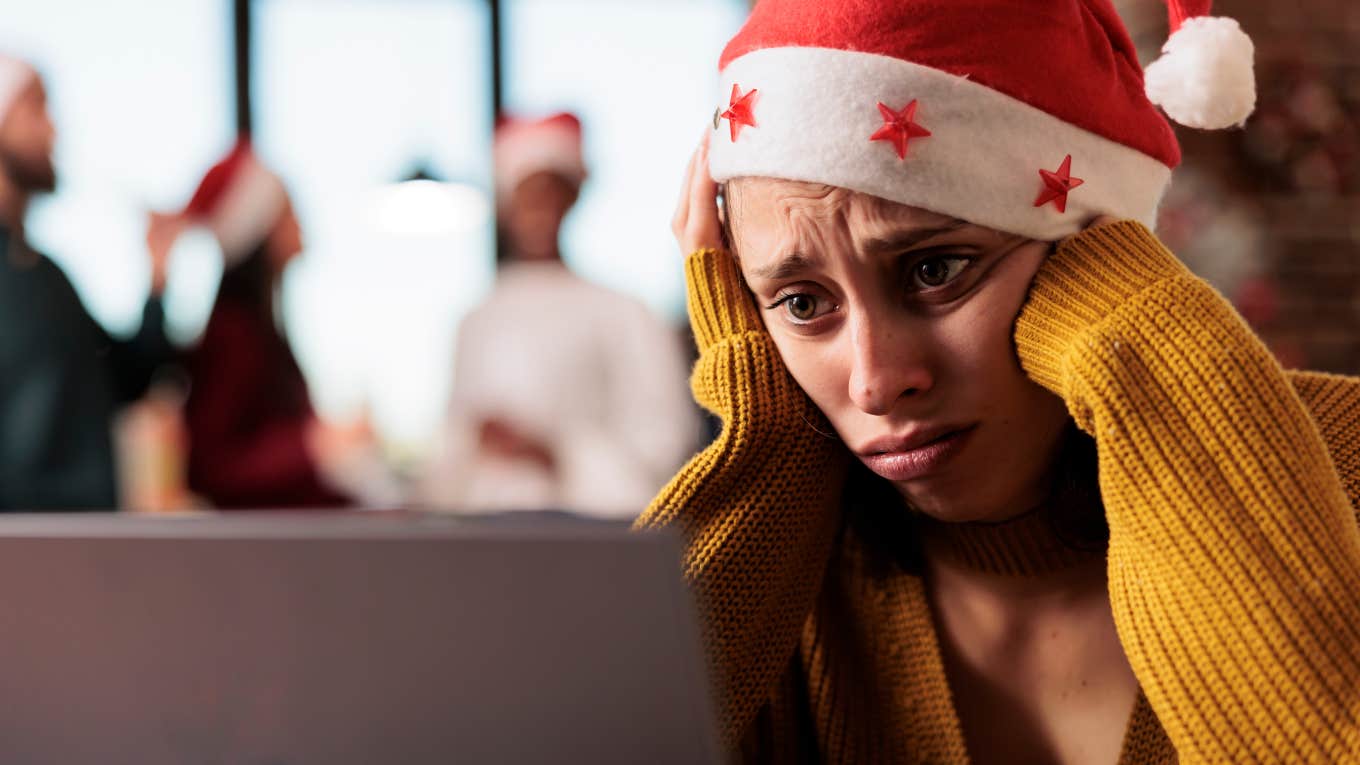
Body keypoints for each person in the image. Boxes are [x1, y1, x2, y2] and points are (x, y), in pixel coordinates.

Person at [639, 0, 1360, 762]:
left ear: (1093, 253)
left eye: (935, 269)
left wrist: (1153, 370)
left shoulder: (1346, 464)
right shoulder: (769, 584)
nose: (877, 383)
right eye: (802, 303)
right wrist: (770, 452)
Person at [419, 113, 698, 518]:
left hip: (594, 542)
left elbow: (668, 445)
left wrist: (555, 452)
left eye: (551, 192)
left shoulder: (625, 313)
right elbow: (448, 461)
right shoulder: (476, 320)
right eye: (528, 193)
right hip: (485, 541)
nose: (540, 208)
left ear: (572, 197)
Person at [150, 141, 386, 509]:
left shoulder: (257, 329)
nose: (301, 223)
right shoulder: (233, 334)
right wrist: (318, 446)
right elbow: (211, 468)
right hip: (263, 556)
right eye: (289, 212)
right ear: (260, 229)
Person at [0, 55, 172, 510]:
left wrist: (156, 275)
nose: (53, 130)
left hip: (80, 554)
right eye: (35, 108)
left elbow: (127, 378)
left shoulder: (45, 277)